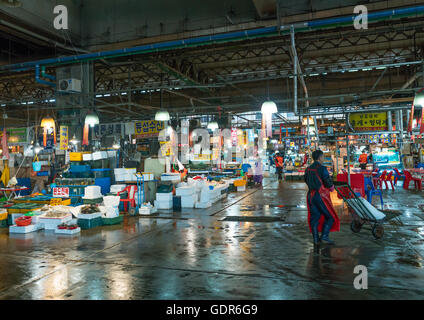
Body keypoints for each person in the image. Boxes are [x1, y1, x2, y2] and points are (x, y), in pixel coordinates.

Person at [304, 150, 340, 245]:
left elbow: (306, 180)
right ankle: (324, 236)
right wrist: (332, 187)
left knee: (314, 218)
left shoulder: (308, 169)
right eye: (323, 157)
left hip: (310, 196)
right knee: (330, 216)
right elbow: (327, 181)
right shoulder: (322, 168)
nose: (323, 158)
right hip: (320, 196)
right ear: (320, 157)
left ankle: (316, 240)